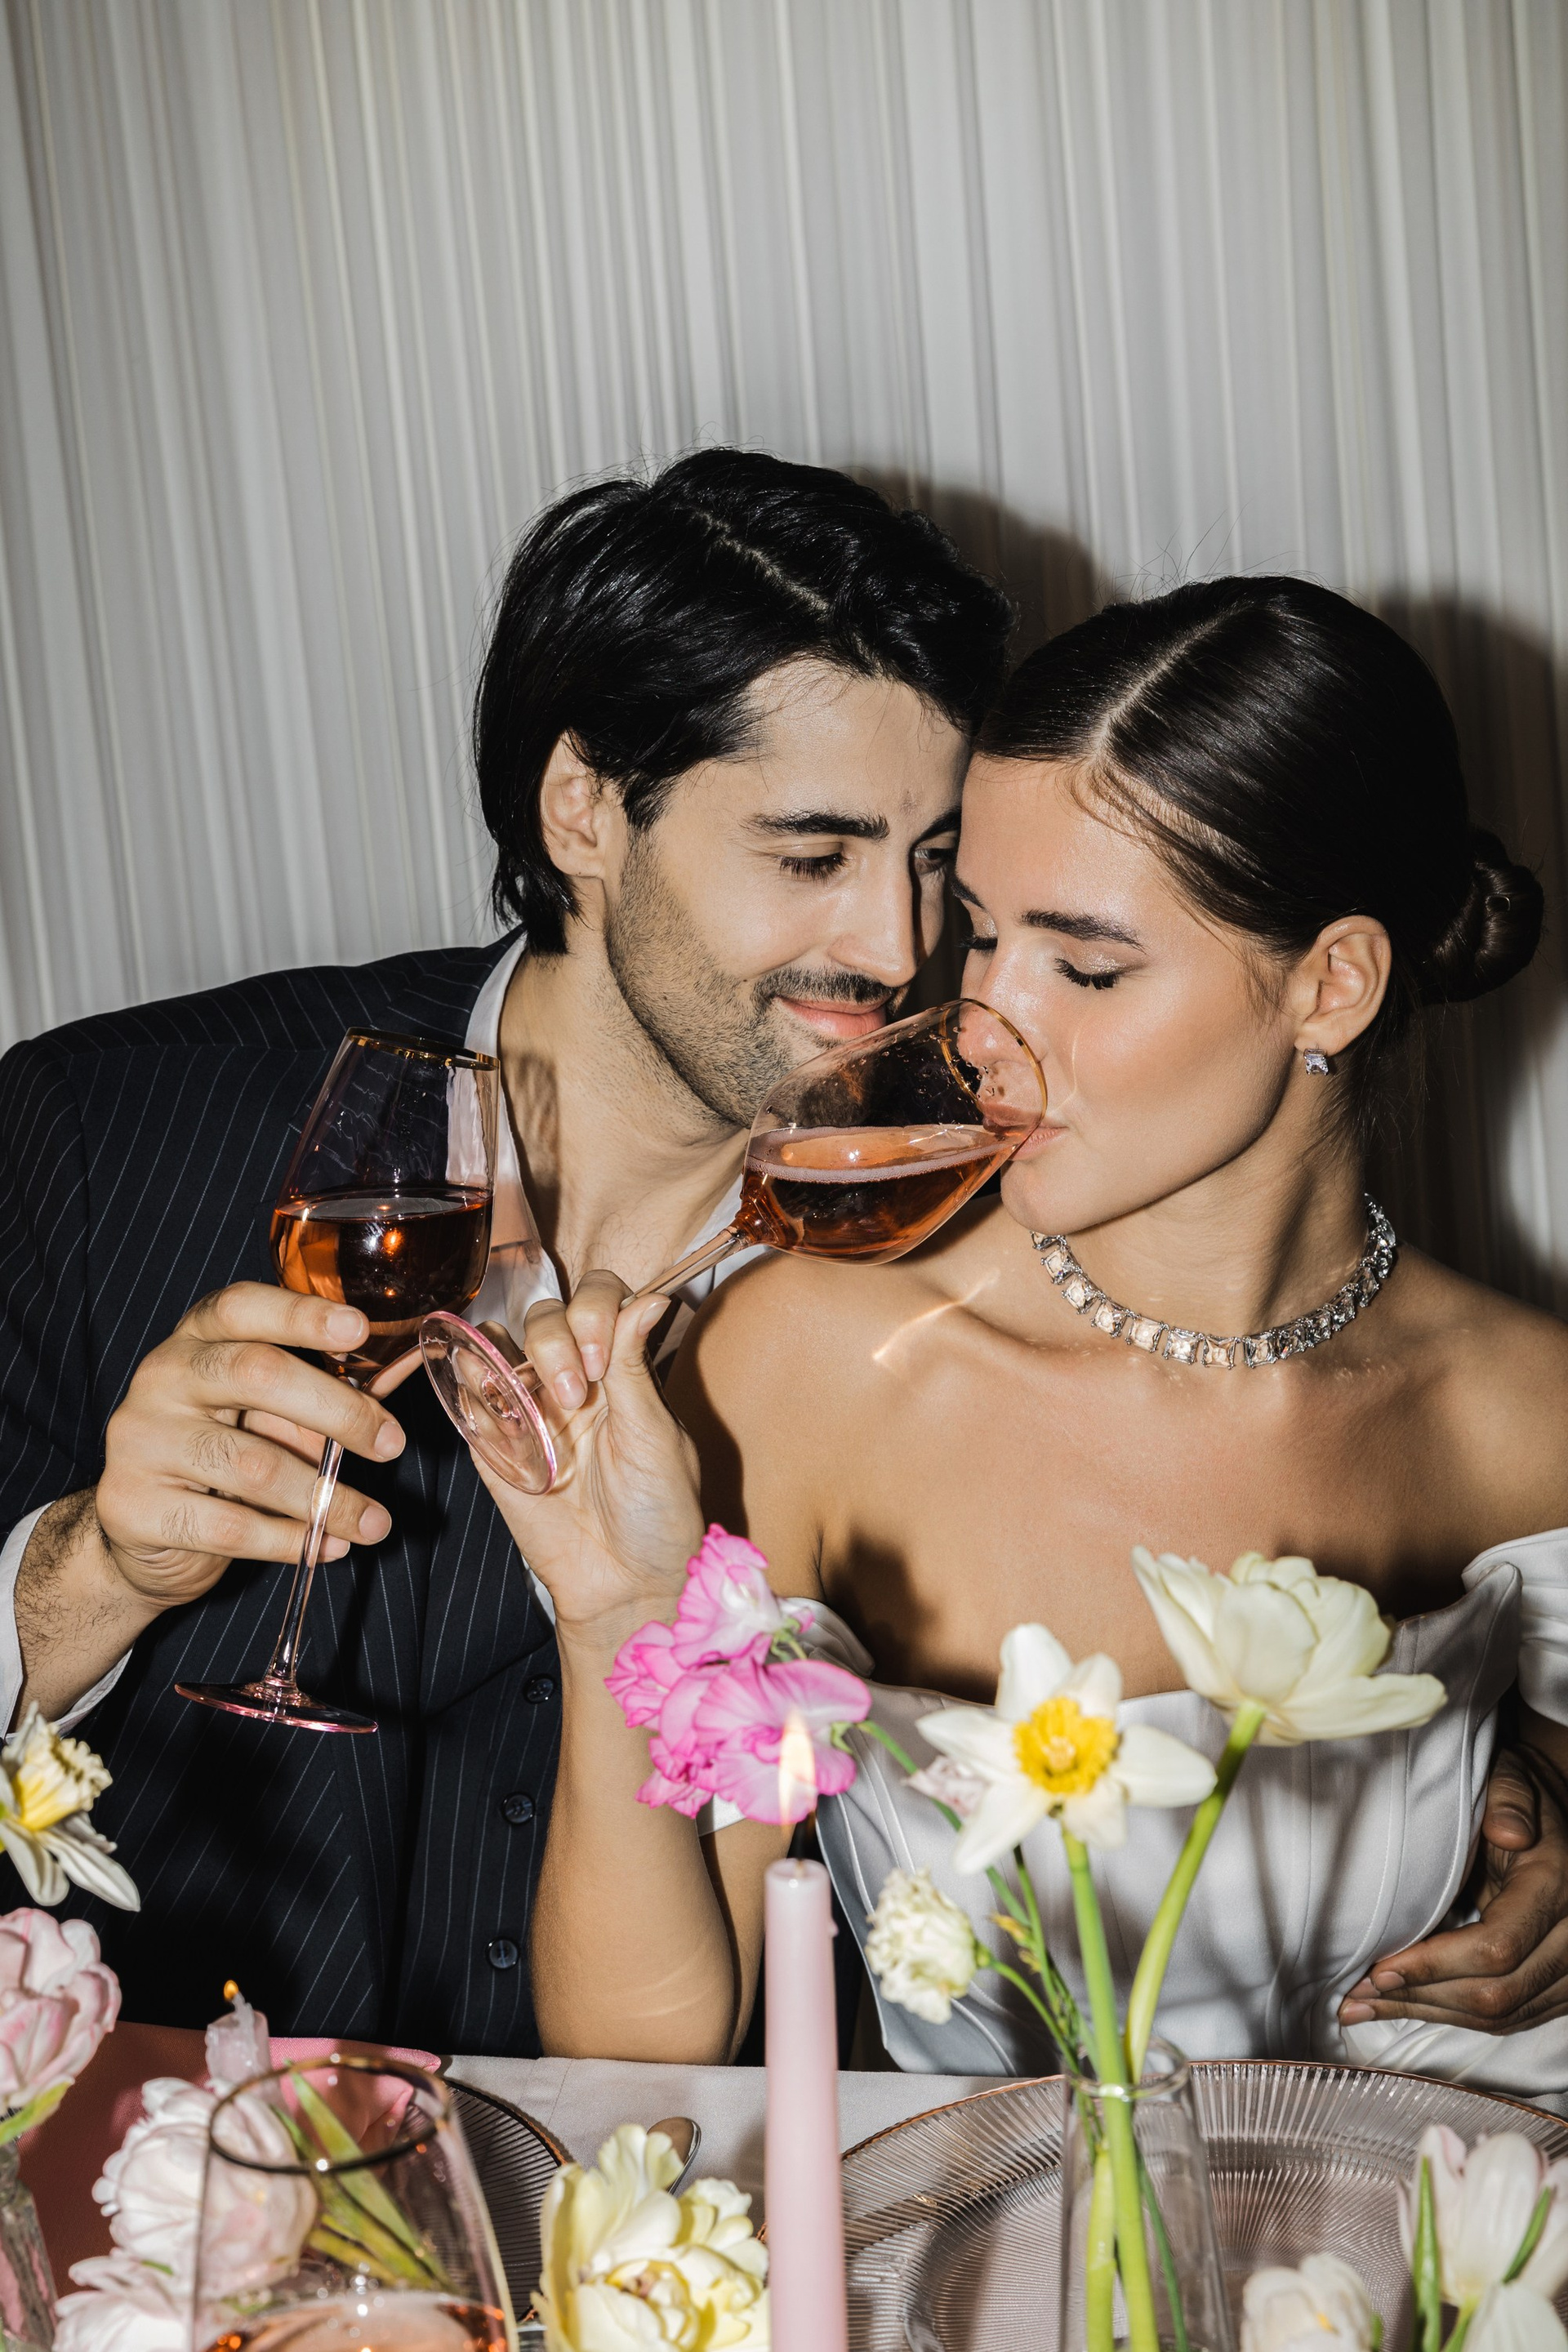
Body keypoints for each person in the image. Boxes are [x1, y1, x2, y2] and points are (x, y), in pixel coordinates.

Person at [483, 576, 1568, 2103]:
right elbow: (645, 2061)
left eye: (1088, 966)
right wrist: (613, 1623)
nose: (985, 1027)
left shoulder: (1526, 1411)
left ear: (1330, 985)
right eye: (982, 937)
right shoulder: (811, 1365)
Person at [0, 448, 1013, 2048]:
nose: (899, 946)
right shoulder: (101, 1130)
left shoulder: (963, 1244)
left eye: (935, 859)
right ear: (583, 810)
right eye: (813, 857)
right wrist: (94, 1571)